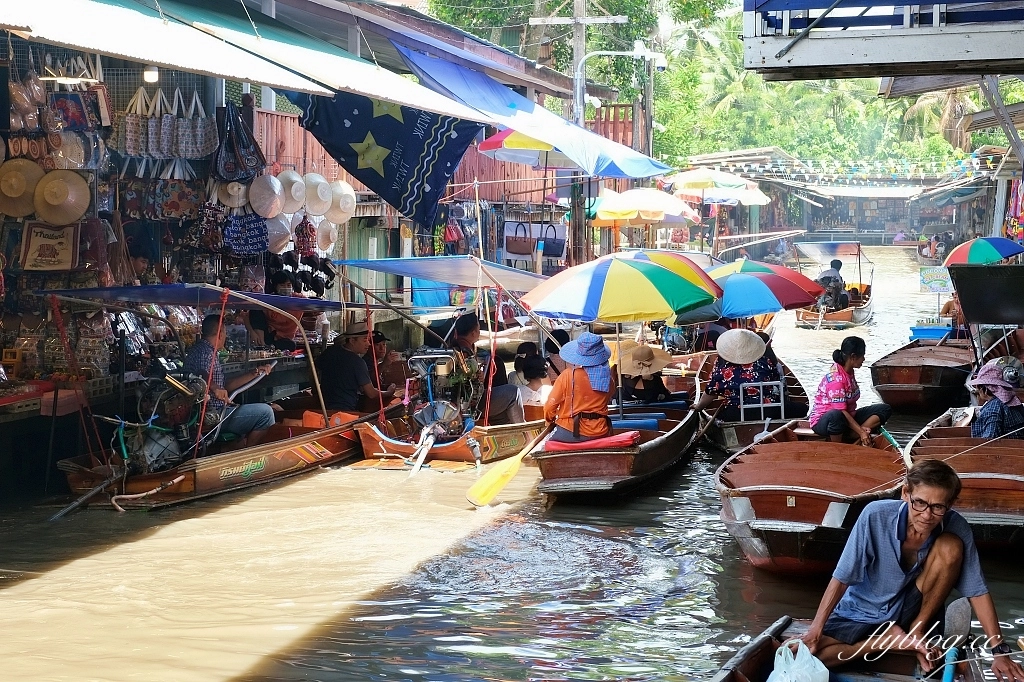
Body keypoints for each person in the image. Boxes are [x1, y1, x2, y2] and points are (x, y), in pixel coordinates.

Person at [801, 459, 1024, 680]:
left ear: (951, 504)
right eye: (920, 503)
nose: (927, 516)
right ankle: (887, 641)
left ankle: (916, 632)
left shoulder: (957, 526)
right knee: (811, 656)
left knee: (950, 545)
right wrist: (815, 631)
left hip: (913, 612)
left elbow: (977, 590)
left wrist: (999, 650)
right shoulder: (875, 516)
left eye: (938, 507)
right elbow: (842, 577)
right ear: (906, 493)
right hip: (864, 610)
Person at [183, 315, 276, 448]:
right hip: (213, 415)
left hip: (217, 410)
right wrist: (215, 388)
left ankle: (235, 448)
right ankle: (248, 457)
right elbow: (201, 374)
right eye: (225, 332)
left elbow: (225, 385)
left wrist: (255, 373)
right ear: (220, 333)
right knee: (266, 414)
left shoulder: (203, 350)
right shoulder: (205, 353)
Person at [694, 329, 802, 421]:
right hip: (770, 410)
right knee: (802, 408)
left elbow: (711, 392)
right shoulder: (765, 360)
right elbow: (776, 381)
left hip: (736, 413)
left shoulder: (721, 365)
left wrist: (699, 407)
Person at [808, 336, 891, 444]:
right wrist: (861, 432)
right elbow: (841, 410)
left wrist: (860, 430)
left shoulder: (849, 371)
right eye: (862, 356)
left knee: (885, 409)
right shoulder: (836, 379)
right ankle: (839, 446)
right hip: (824, 421)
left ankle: (854, 434)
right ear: (853, 357)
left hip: (848, 416)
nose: (864, 359)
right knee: (836, 415)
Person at [449, 312, 524, 424]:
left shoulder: (454, 348)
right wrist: (479, 376)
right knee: (514, 392)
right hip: (472, 403)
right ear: (474, 333)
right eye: (479, 330)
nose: (479, 333)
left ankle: (504, 433)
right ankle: (524, 430)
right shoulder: (464, 351)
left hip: (464, 400)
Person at [544, 332, 617, 442]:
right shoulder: (608, 379)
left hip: (569, 431)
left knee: (544, 446)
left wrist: (549, 420)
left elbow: (550, 406)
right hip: (601, 431)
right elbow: (609, 397)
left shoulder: (567, 375)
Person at [316, 322, 397, 412]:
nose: (368, 344)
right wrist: (389, 392)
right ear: (352, 341)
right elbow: (371, 393)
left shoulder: (329, 352)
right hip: (344, 410)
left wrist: (315, 393)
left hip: (322, 407)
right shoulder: (357, 362)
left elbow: (313, 371)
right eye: (364, 340)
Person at [967, 363, 1024, 439]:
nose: (977, 390)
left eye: (978, 386)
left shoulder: (992, 408)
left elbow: (990, 439)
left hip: (1007, 449)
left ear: (985, 388)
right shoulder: (1014, 400)